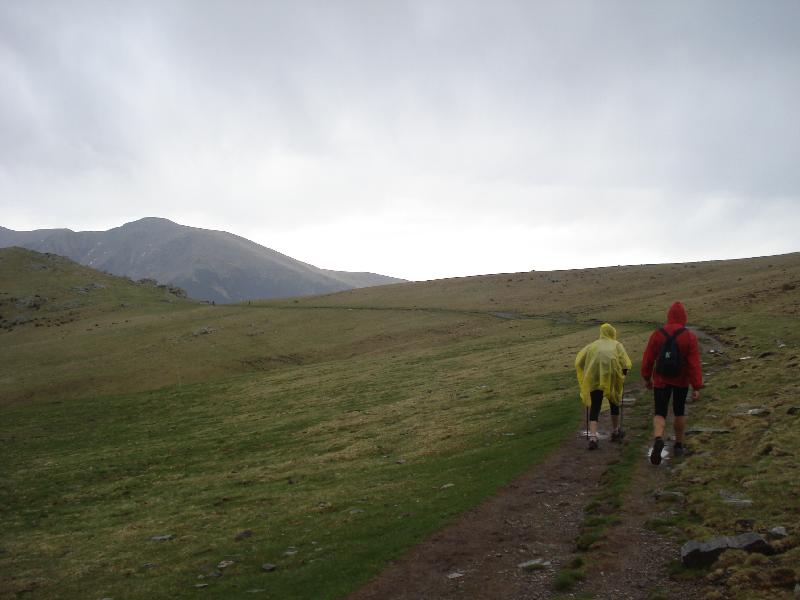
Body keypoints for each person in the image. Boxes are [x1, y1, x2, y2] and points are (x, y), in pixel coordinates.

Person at [641, 301, 703, 465]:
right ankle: (679, 445)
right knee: (679, 411)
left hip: (661, 381)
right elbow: (694, 363)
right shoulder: (689, 336)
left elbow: (648, 359)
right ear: (684, 317)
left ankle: (658, 438)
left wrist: (647, 378)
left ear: (669, 315)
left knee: (660, 412)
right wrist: (696, 386)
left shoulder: (658, 334)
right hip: (681, 381)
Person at [575, 323, 632, 450]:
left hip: (595, 379)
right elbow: (626, 363)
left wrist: (586, 370)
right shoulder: (617, 345)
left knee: (595, 406)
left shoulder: (592, 346)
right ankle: (616, 431)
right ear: (612, 333)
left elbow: (580, 360)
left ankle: (593, 437)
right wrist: (622, 375)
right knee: (614, 403)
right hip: (612, 378)